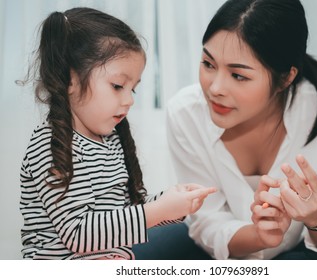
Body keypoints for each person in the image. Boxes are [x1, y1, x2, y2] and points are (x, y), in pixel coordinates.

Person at [133, 0, 317, 260]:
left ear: (285, 78)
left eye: (238, 76)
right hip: (221, 250)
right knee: (126, 256)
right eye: (208, 63)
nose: (215, 88)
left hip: (298, 250)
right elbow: (208, 222)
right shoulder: (185, 113)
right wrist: (258, 236)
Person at [18, 7, 216, 260]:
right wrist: (157, 210)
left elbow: (123, 217)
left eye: (132, 89)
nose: (129, 100)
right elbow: (78, 233)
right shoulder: (50, 144)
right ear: (70, 80)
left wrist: (173, 204)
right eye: (118, 86)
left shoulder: (110, 142)